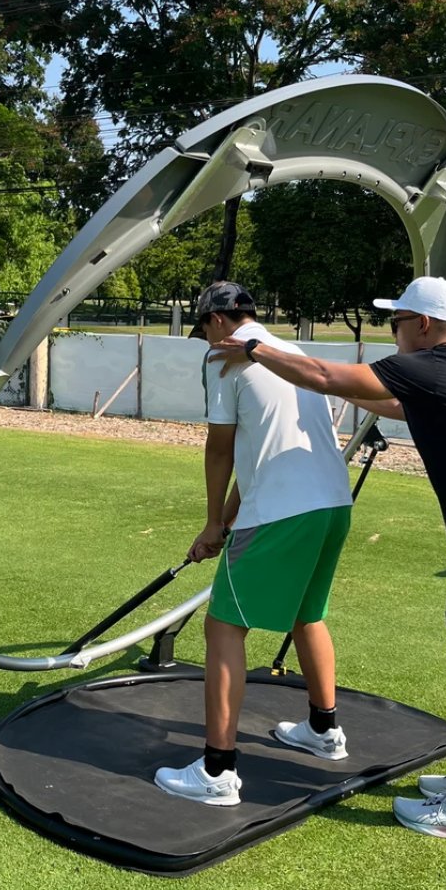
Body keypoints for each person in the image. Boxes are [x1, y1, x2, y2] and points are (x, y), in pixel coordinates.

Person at [210, 276, 446, 844]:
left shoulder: (429, 364)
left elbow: (328, 375)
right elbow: (392, 406)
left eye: (396, 322)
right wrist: (311, 384)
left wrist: (253, 347)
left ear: (422, 324)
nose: (391, 331)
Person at [154, 282, 354, 807]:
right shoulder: (290, 352)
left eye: (202, 329)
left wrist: (209, 522)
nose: (204, 340)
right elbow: (262, 452)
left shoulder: (226, 360)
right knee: (306, 614)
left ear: (218, 322)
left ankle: (217, 770)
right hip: (332, 505)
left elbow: (220, 448)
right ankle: (324, 730)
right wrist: (223, 522)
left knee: (222, 625)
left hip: (283, 512)